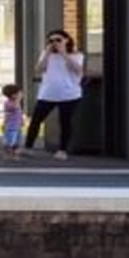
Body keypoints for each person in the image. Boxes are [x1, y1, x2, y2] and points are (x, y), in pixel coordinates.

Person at [24, 30, 85, 160]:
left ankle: (62, 150)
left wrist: (63, 53)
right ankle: (28, 147)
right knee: (36, 120)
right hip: (47, 93)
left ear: (66, 40)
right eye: (51, 41)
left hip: (69, 94)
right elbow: (38, 69)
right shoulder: (47, 55)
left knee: (65, 122)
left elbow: (78, 70)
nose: (55, 43)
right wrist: (46, 53)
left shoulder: (76, 55)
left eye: (58, 40)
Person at [0, 82, 25, 161]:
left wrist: (22, 120)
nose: (21, 95)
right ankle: (8, 154)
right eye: (19, 93)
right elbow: (14, 109)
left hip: (17, 126)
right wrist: (18, 99)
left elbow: (19, 113)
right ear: (13, 95)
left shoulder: (16, 103)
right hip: (10, 126)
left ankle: (15, 154)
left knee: (17, 141)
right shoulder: (8, 103)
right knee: (10, 142)